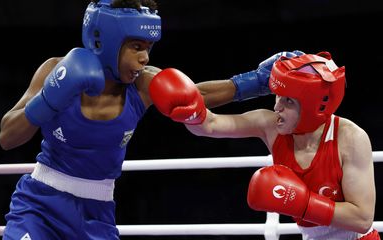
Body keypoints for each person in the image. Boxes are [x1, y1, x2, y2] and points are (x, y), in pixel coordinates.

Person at [0, 0, 305, 238]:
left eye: (148, 48)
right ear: (102, 40)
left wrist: (258, 82)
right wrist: (50, 97)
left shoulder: (142, 85)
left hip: (97, 214)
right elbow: (7, 137)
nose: (144, 58)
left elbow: (195, 95)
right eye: (136, 47)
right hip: (39, 206)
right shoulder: (56, 70)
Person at [149, 52, 380, 239]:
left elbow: (362, 219)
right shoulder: (269, 125)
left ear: (313, 107)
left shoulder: (350, 138)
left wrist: (303, 203)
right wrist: (190, 114)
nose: (277, 107)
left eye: (288, 100)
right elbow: (210, 124)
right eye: (278, 96)